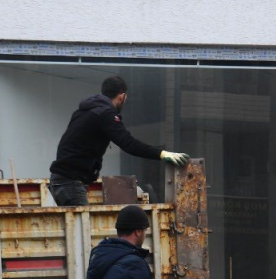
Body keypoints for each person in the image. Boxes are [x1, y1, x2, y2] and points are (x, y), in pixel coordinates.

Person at [48, 75, 190, 206]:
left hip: (59, 179)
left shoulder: (84, 111)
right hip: (70, 182)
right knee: (82, 225)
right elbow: (129, 144)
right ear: (122, 96)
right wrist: (163, 154)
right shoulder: (105, 114)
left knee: (77, 224)